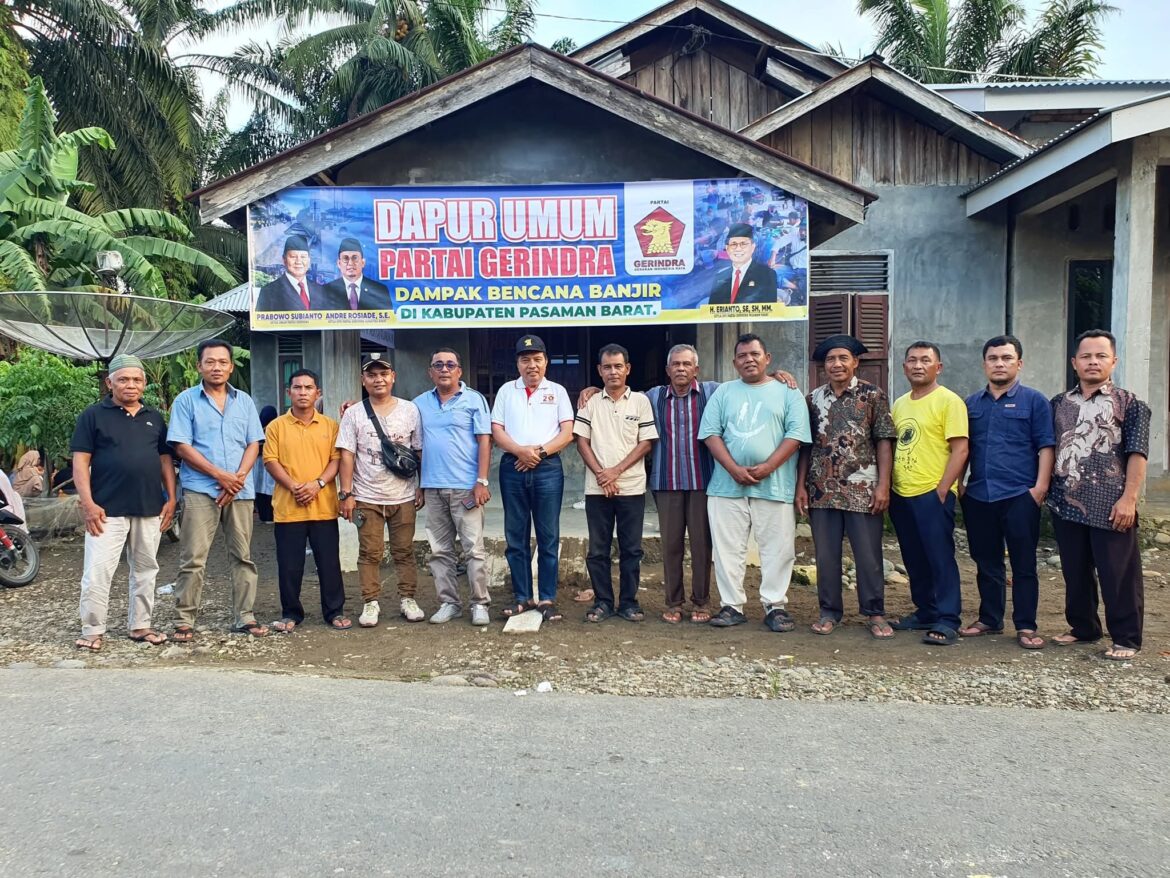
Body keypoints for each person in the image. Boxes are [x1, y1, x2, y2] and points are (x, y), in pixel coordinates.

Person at [698, 333, 810, 631]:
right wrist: (733, 468)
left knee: (778, 548)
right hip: (726, 486)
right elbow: (710, 433)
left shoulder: (789, 393)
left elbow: (797, 435)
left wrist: (769, 467)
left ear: (767, 358)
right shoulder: (723, 393)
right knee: (727, 550)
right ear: (735, 363)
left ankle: (775, 606)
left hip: (775, 485)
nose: (749, 359)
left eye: (755, 354)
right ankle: (731, 605)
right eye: (743, 355)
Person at [1049, 330, 1150, 661]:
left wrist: (1130, 499)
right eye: (1086, 356)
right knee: (1074, 571)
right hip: (1067, 503)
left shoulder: (1130, 404)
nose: (1093, 362)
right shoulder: (1059, 404)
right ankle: (1083, 628)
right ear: (1074, 362)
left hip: (1111, 504)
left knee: (1118, 575)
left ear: (1113, 361)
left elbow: (1137, 453)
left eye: (1101, 356)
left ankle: (1126, 638)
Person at [71, 354, 177, 651]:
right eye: (123, 379)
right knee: (97, 572)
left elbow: (165, 459)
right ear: (110, 382)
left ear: (144, 383)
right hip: (106, 509)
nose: (131, 385)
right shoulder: (92, 416)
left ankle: (140, 625)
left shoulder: (154, 417)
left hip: (150, 507)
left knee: (146, 569)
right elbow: (80, 463)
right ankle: (92, 629)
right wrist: (88, 503)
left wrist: (171, 497)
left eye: (137, 380)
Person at [796, 334, 896, 638]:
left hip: (863, 490)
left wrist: (883, 485)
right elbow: (804, 447)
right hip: (821, 490)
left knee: (868, 555)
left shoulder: (873, 395)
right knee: (826, 556)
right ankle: (829, 612)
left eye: (842, 358)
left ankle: (875, 613)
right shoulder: (812, 399)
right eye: (830, 359)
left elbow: (884, 441)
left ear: (855, 362)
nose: (836, 364)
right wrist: (800, 487)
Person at [959, 336, 1055, 650]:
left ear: (1019, 363)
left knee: (1024, 563)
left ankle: (1026, 625)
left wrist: (1039, 489)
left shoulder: (1034, 401)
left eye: (1006, 358)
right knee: (986, 561)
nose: (999, 364)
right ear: (985, 364)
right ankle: (990, 618)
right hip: (979, 495)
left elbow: (1045, 446)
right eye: (993, 358)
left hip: (1019, 495)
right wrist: (960, 484)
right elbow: (963, 448)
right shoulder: (971, 404)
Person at [168, 338, 268, 640]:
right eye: (210, 362)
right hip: (201, 490)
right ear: (199, 365)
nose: (216, 367)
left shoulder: (244, 401)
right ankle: (185, 619)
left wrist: (236, 478)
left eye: (222, 362)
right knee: (194, 557)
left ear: (231, 366)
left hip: (240, 490)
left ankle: (244, 616)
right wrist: (219, 476)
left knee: (243, 556)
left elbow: (254, 443)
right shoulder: (186, 400)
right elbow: (181, 446)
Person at [887, 342, 969, 647]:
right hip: (902, 493)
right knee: (913, 556)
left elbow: (960, 448)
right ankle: (925, 611)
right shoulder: (900, 404)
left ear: (938, 367)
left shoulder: (949, 401)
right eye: (912, 360)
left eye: (925, 360)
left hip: (932, 493)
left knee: (940, 557)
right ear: (904, 367)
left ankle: (948, 619)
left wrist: (943, 488)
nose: (918, 365)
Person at [336, 352, 424, 627]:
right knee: (370, 552)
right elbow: (347, 454)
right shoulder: (353, 413)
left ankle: (408, 598)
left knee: (404, 551)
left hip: (404, 495)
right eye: (372, 375)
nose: (378, 379)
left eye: (383, 373)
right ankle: (370, 602)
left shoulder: (410, 410)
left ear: (393, 377)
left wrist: (420, 486)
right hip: (366, 496)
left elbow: (417, 450)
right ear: (363, 380)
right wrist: (346, 493)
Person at [491, 334, 574, 622]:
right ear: (518, 363)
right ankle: (522, 597)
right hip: (513, 467)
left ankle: (548, 597)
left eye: (537, 359)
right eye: (525, 360)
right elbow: (497, 430)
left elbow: (567, 432)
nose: (532, 365)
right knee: (516, 536)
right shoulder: (506, 391)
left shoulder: (559, 392)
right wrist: (520, 452)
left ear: (546, 362)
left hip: (548, 468)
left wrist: (537, 453)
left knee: (548, 535)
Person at [574, 344, 658, 623]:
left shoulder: (641, 402)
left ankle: (629, 603)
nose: (613, 371)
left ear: (628, 369)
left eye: (618, 366)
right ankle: (602, 602)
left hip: (631, 486)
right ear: (599, 370)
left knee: (631, 549)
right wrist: (601, 474)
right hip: (597, 488)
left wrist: (616, 472)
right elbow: (581, 441)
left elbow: (645, 442)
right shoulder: (591, 402)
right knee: (598, 550)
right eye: (607, 367)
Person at [264, 369, 352, 632]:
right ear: (288, 392)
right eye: (297, 387)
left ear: (318, 393)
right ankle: (291, 613)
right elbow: (270, 461)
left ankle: (334, 612)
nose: (303, 393)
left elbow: (336, 459)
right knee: (290, 566)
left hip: (323, 507)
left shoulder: (330, 426)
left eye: (308, 388)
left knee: (329, 564)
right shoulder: (276, 426)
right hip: (289, 508)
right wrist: (294, 487)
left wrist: (318, 484)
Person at [412, 348, 493, 626]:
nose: (444, 369)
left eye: (450, 365)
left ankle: (479, 603)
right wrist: (420, 486)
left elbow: (484, 441)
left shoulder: (474, 400)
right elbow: (414, 446)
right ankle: (449, 602)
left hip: (466, 488)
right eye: (438, 365)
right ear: (430, 371)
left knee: (474, 549)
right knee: (439, 551)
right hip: (433, 488)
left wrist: (481, 481)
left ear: (459, 370)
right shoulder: (419, 404)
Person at [646, 345, 719, 623]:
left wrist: (777, 374)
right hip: (667, 482)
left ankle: (702, 602)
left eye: (687, 364)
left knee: (702, 545)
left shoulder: (713, 392)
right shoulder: (653, 397)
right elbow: (621, 395)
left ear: (696, 369)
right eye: (675, 364)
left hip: (702, 480)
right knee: (671, 545)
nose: (681, 368)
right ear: (667, 370)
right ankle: (674, 603)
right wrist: (591, 390)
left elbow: (748, 384)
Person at [707, 223, 778, 305]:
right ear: (727, 248)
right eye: (733, 244)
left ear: (752, 247)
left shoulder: (768, 275)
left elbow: (769, 313)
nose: (738, 249)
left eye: (743, 244)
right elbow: (713, 311)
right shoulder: (719, 278)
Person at [256, 235, 326, 311]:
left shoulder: (320, 291)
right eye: (293, 256)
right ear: (284, 259)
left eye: (303, 257)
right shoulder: (269, 292)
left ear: (309, 260)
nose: (298, 261)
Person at [322, 238, 392, 311]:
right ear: (339, 264)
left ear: (363, 262)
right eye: (345, 258)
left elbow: (389, 320)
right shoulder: (327, 291)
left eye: (355, 258)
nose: (350, 263)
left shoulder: (379, 291)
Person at [253, 405, 278, 522]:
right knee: (269, 490)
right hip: (270, 464)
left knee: (260, 490)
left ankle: (264, 516)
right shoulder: (275, 428)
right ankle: (270, 516)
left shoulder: (257, 429)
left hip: (258, 464)